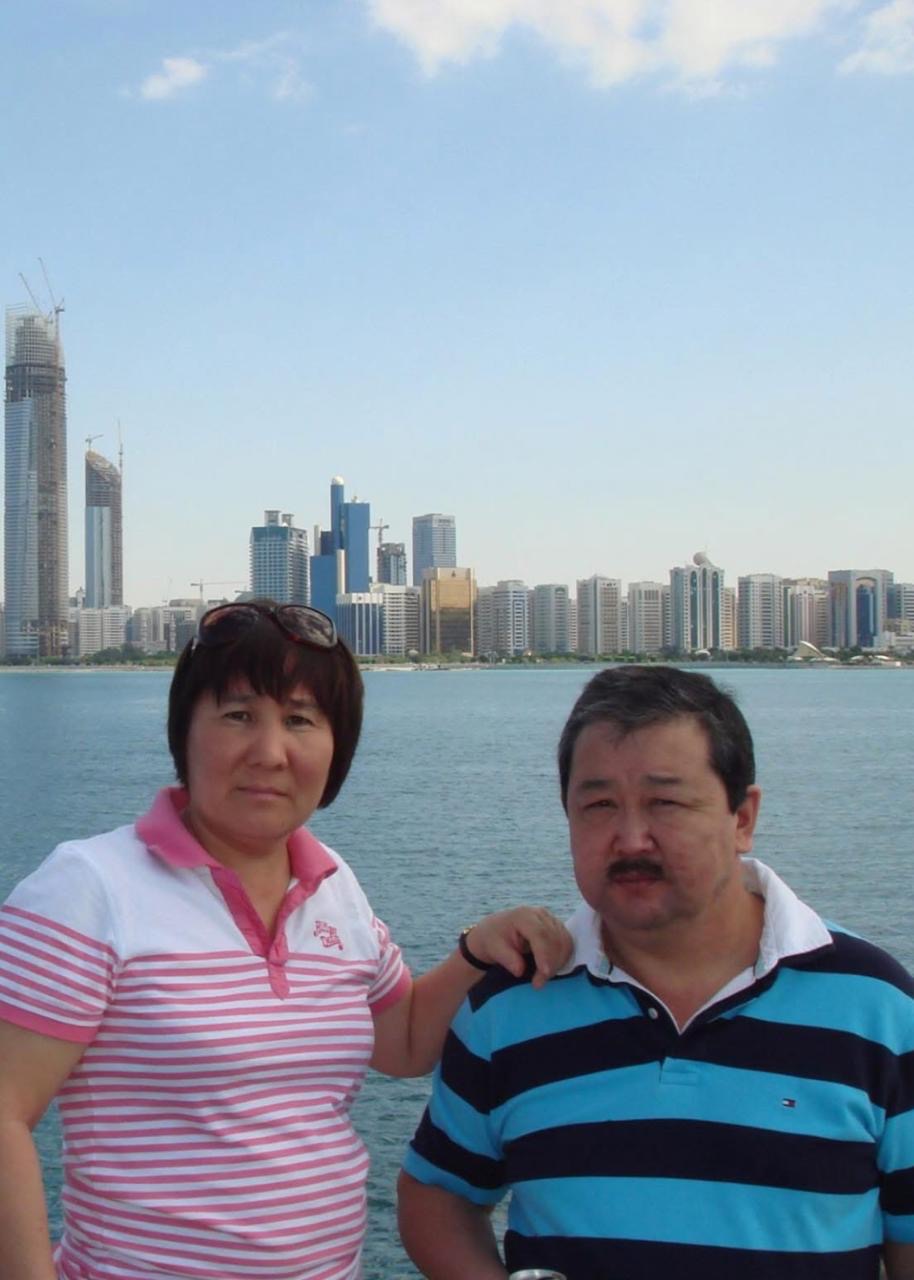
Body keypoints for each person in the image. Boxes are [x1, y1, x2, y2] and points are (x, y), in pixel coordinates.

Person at [0, 600, 570, 1280]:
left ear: (337, 747)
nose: (270, 753)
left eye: (300, 720)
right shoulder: (90, 888)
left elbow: (403, 1041)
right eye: (238, 715)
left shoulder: (333, 886)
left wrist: (478, 949)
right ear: (185, 733)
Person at [398, 664, 914, 1280]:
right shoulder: (511, 1003)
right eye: (599, 806)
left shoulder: (878, 1009)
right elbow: (439, 1194)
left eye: (665, 802)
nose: (631, 839)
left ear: (742, 818)